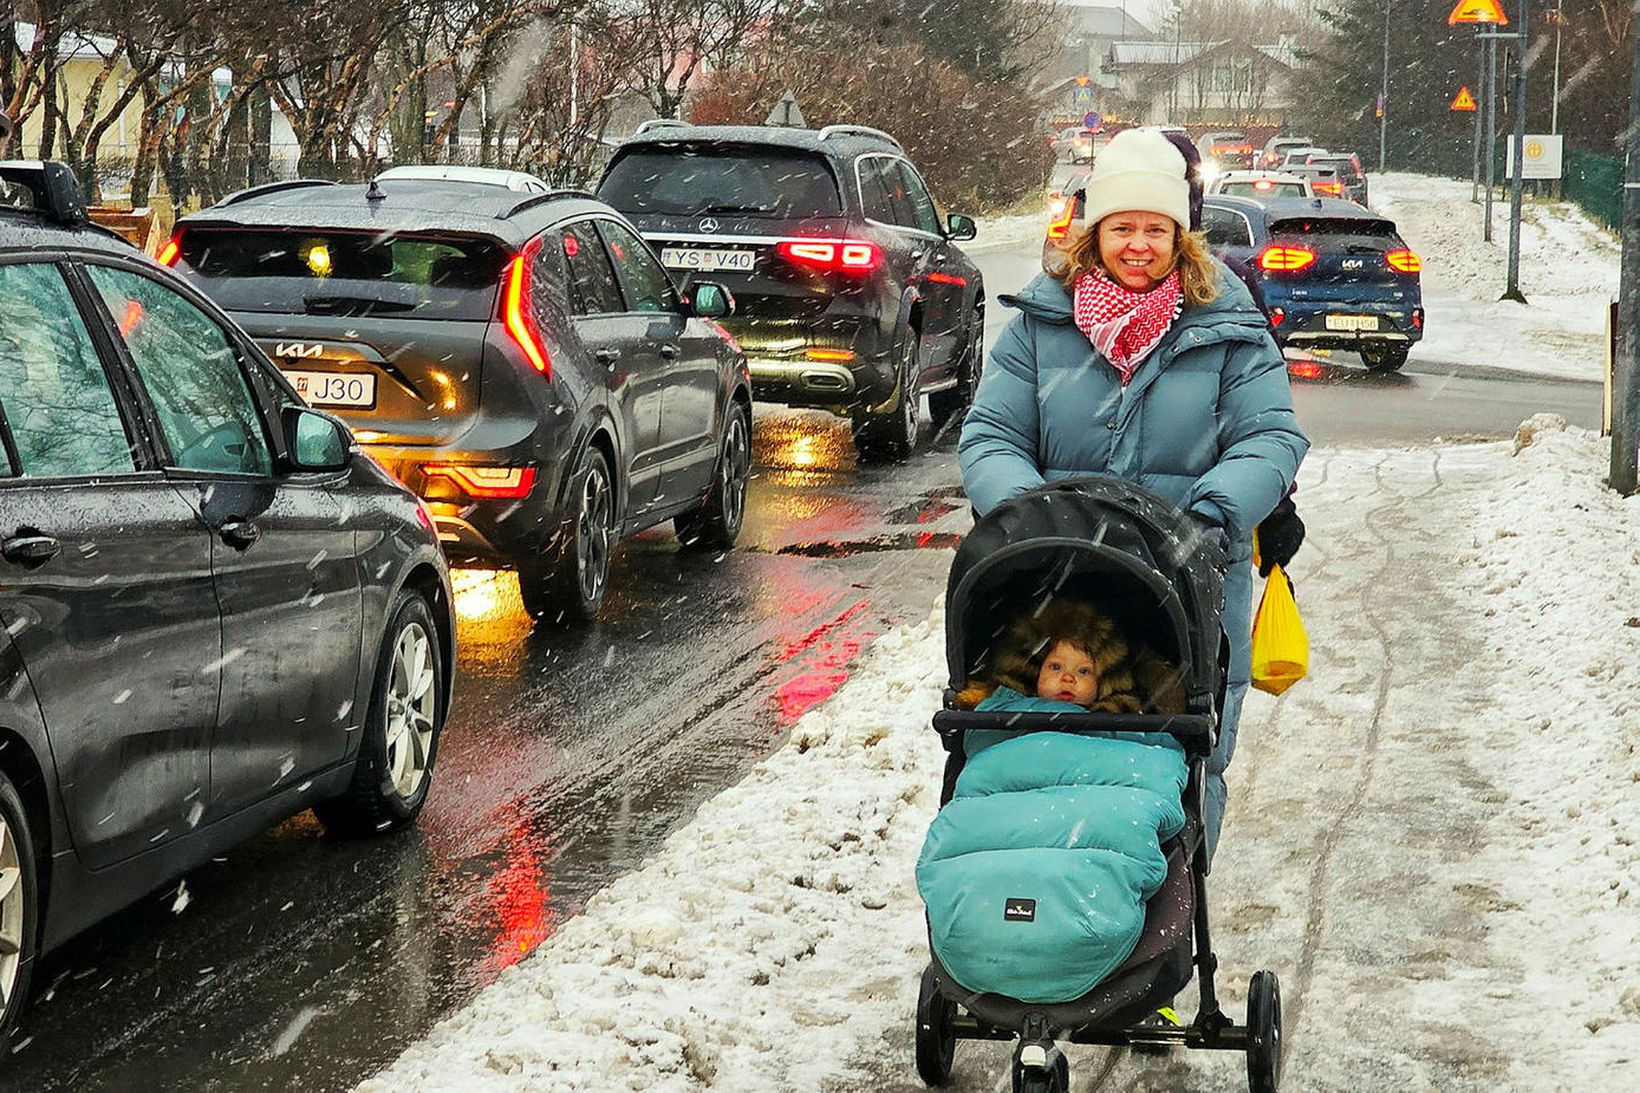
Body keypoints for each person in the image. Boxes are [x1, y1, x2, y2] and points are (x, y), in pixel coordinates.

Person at [960, 127, 1309, 862]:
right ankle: (1023, 890)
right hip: (1051, 583)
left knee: (1180, 753)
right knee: (1030, 744)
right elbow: (992, 434)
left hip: (1187, 580)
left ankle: (1163, 919)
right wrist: (1027, 517)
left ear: (1181, 236)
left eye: (1156, 228)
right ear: (1095, 231)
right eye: (1123, 227)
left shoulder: (1229, 325)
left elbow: (1270, 437)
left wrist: (1210, 519)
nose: (1139, 244)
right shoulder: (1042, 323)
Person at [954, 598, 1182, 716]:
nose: (1068, 679)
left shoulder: (1124, 724)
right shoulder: (999, 713)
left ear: (1103, 682)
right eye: (1055, 667)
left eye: (1083, 671)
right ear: (1032, 671)